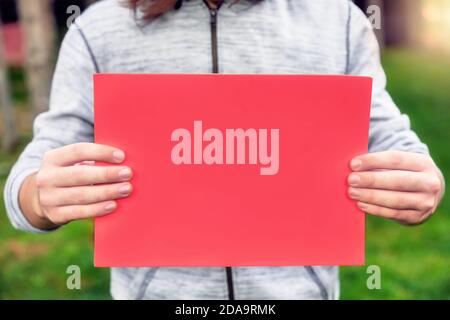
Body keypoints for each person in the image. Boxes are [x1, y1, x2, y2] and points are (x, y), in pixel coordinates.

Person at [4, 0, 444, 300]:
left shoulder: (338, 21)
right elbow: (27, 185)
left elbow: (394, 141)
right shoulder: (98, 30)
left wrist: (420, 181)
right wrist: (40, 196)